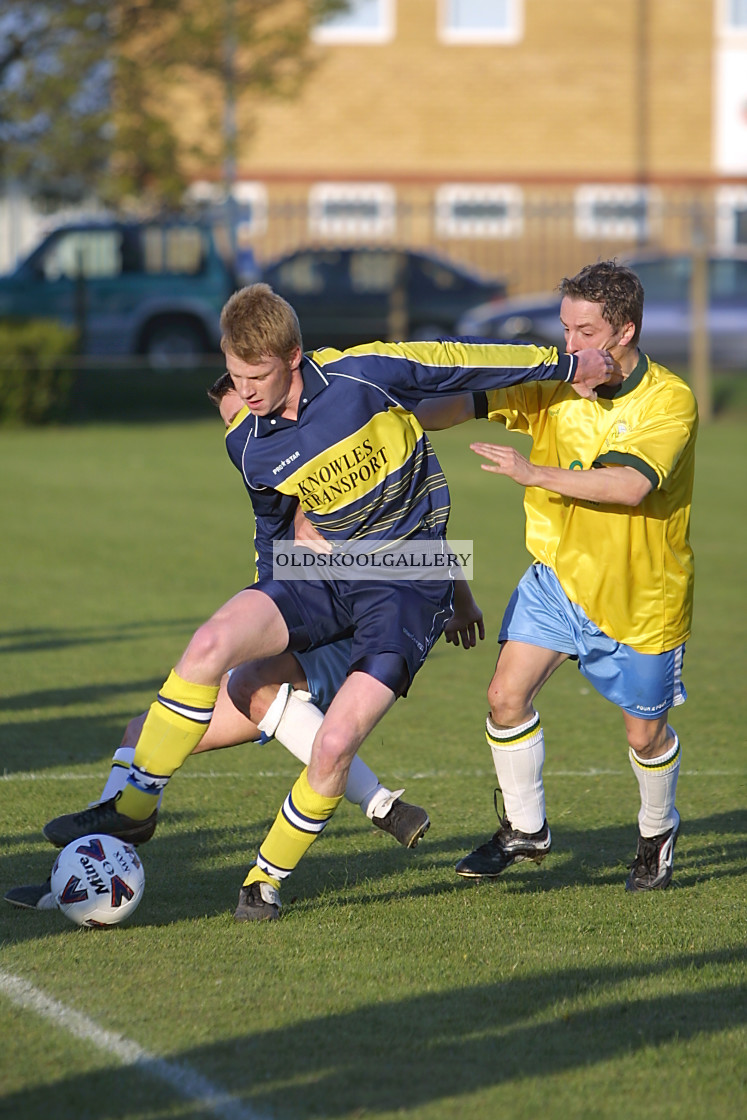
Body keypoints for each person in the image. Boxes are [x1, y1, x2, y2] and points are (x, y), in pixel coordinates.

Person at [36, 282, 616, 922]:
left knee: (335, 742)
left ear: (294, 356)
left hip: (406, 583)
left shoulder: (362, 375)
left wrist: (569, 365)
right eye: (235, 376)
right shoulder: (248, 443)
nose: (248, 392)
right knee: (210, 645)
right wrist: (270, 595)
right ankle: (135, 810)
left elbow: (461, 359)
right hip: (323, 576)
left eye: (258, 376)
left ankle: (264, 880)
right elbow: (270, 527)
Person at [5, 378, 452, 910]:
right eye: (229, 422)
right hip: (300, 640)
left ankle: (363, 813)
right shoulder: (269, 482)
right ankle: (76, 878)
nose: (243, 432)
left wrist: (455, 591)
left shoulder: (335, 459)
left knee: (253, 683)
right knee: (141, 734)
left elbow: (417, 542)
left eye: (248, 414)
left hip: (349, 642)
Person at [425, 260, 696, 892]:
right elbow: (459, 405)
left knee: (646, 735)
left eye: (584, 331)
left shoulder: (669, 400)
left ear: (624, 331)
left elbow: (630, 486)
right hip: (558, 581)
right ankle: (526, 830)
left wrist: (534, 474)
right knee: (504, 697)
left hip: (641, 598)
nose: (569, 344)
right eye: (565, 328)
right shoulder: (554, 383)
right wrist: (397, 407)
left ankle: (657, 828)